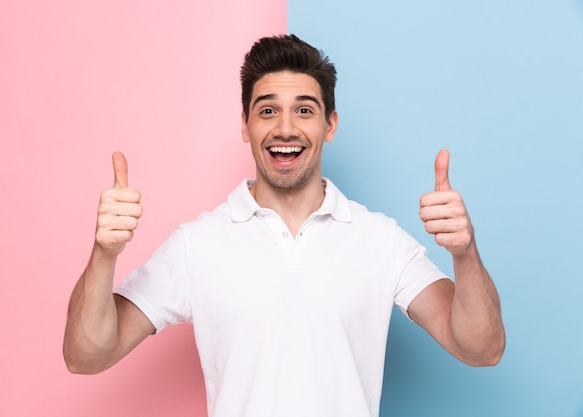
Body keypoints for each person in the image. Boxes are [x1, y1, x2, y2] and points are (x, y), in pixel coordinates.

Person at [63, 34, 505, 417]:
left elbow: (482, 348)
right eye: (268, 111)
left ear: (330, 125)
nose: (286, 128)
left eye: (305, 111)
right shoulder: (196, 245)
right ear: (245, 125)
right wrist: (105, 254)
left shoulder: (379, 239)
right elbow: (86, 356)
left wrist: (464, 253)